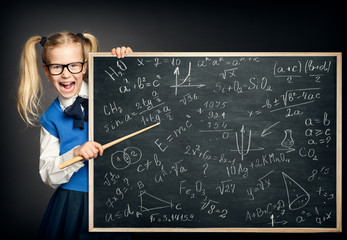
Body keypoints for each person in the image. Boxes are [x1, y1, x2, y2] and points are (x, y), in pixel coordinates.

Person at [17, 31, 132, 240]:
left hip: (114, 200)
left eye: (74, 65)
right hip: (73, 205)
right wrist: (75, 154)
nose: (66, 74)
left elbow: (142, 98)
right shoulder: (50, 118)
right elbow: (48, 174)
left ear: (85, 65)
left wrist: (130, 62)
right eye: (57, 67)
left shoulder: (109, 89)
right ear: (46, 70)